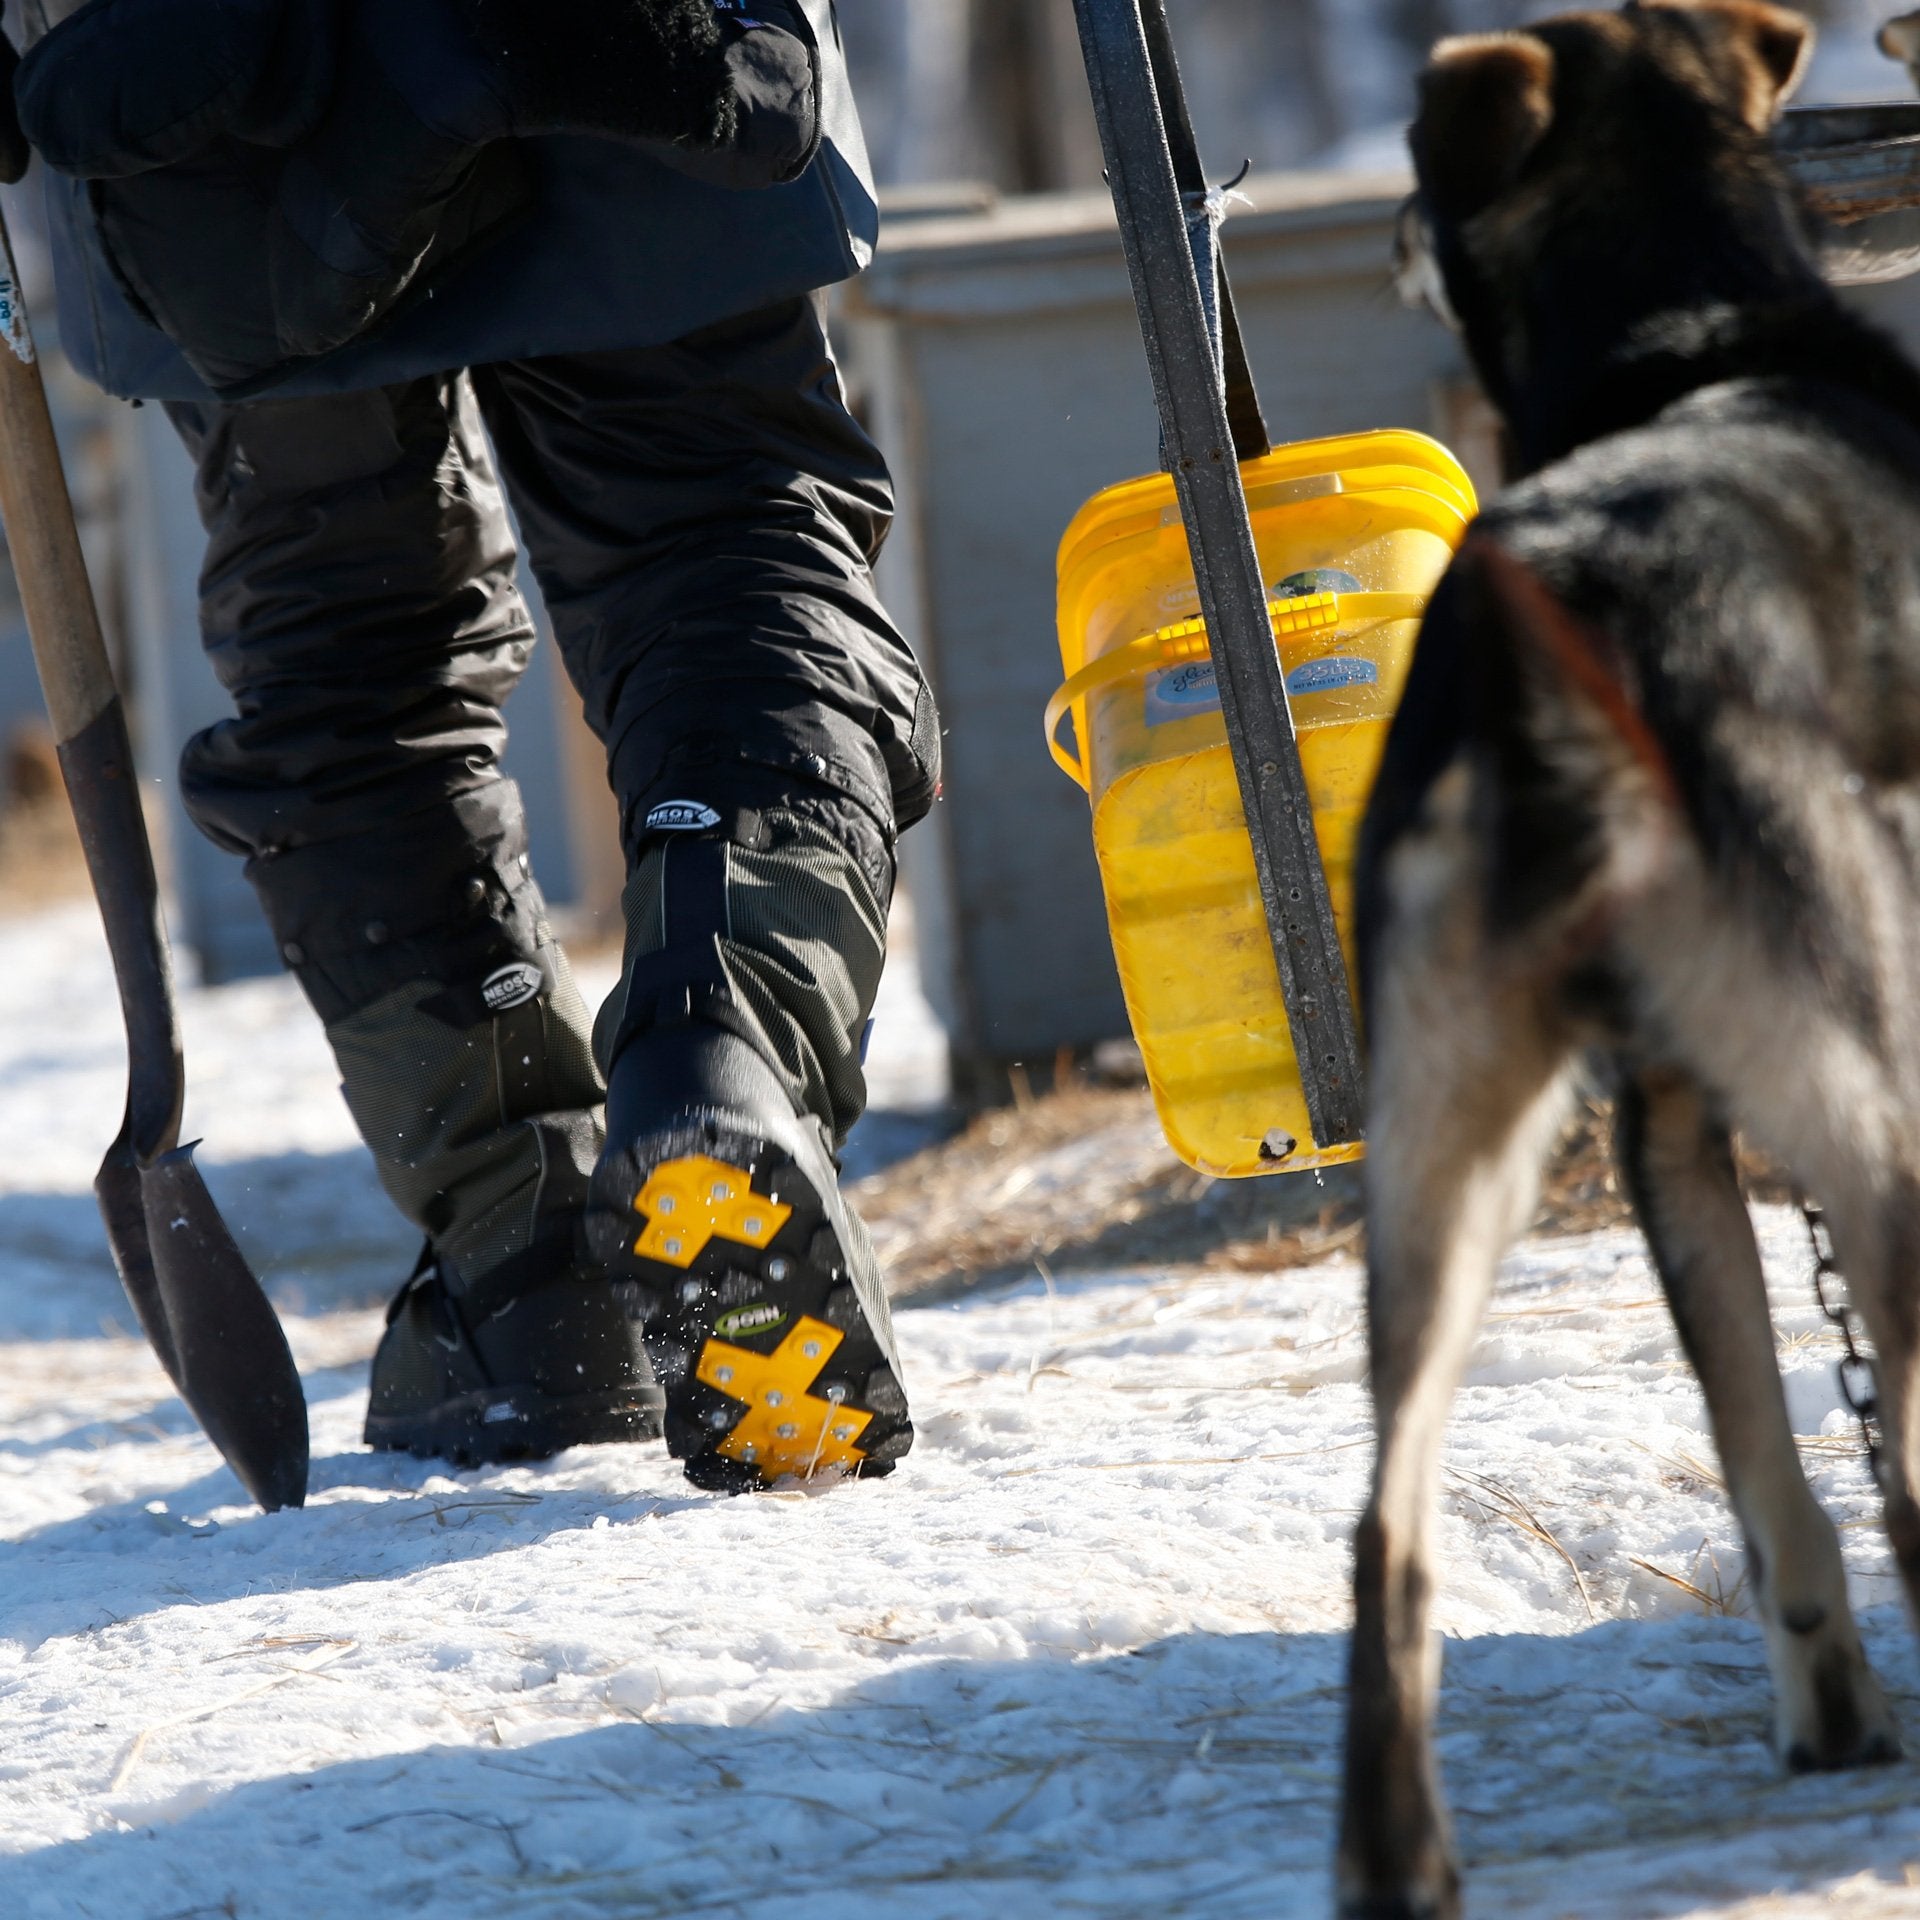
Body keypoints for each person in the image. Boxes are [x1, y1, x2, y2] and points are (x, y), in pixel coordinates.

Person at [9, 0, 939, 1492]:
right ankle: (723, 1054)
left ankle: (530, 1256)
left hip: (205, 95)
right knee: (718, 539)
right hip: (620, 47)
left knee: (347, 632)